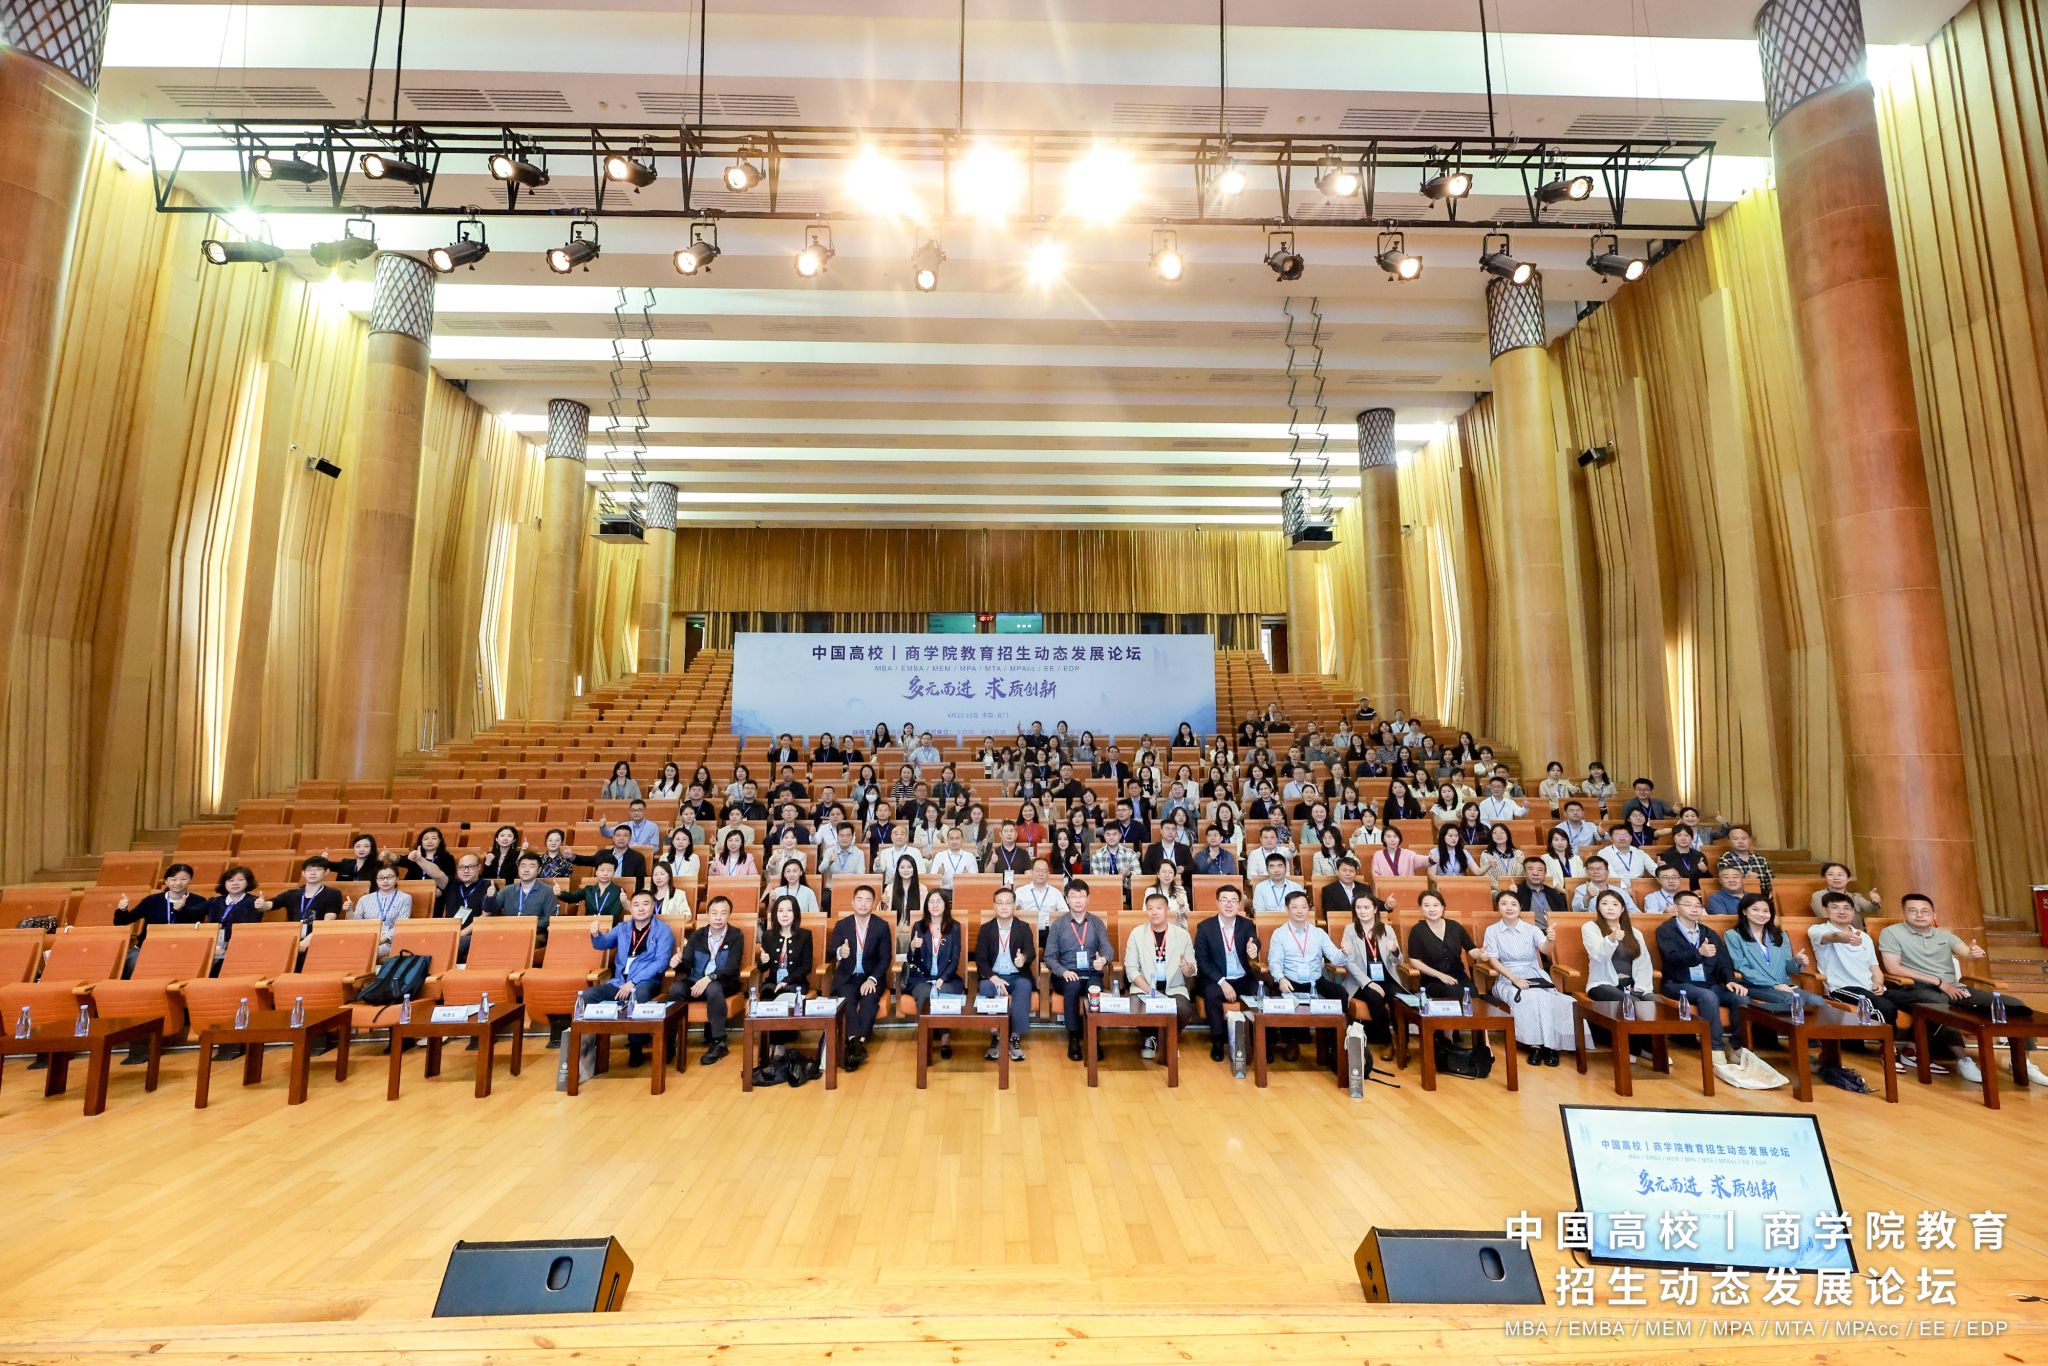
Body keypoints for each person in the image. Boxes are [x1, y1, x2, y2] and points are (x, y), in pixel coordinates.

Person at [1877, 893, 2043, 1086]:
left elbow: (1966, 952)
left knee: (2015, 1005)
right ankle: (1964, 1059)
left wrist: (1973, 953)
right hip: (1913, 988)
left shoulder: (1945, 936)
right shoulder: (1891, 933)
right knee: (1942, 1006)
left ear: (1933, 914)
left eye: (1925, 911)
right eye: (1913, 911)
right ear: (1904, 913)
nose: (1920, 915)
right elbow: (1893, 968)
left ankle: (2022, 1061)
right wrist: (1939, 982)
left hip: (1954, 988)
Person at [1808, 891, 1918, 1067]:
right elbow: (1834, 936)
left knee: (1918, 1002)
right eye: (1835, 908)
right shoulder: (1818, 930)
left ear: (1853, 912)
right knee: (1886, 1007)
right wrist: (1845, 938)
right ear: (1826, 911)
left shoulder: (1864, 937)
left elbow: (1875, 968)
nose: (1842, 911)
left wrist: (1879, 983)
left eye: (1847, 908)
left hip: (1869, 987)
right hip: (1842, 988)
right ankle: (1889, 1051)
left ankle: (1913, 1050)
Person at [1474, 889, 1573, 1066]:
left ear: (1520, 907)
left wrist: (1550, 940)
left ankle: (1551, 1046)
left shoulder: (1532, 929)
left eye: (1513, 904)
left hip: (1534, 974)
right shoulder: (1492, 930)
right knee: (1529, 997)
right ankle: (1535, 1046)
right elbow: (1493, 960)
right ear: (1498, 907)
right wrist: (1515, 979)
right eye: (1504, 904)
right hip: (1507, 976)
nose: (1509, 908)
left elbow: (1545, 950)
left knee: (1553, 999)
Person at [1654, 890, 1747, 1064]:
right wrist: (1699, 953)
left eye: (1698, 905)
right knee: (1708, 996)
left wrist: (1730, 980)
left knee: (1740, 997)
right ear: (1676, 908)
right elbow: (1672, 958)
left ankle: (1737, 1047)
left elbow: (1723, 961)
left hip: (1708, 983)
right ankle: (1715, 1048)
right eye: (1688, 905)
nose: (1694, 909)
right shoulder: (1666, 930)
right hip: (1677, 982)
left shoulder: (1709, 933)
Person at [1264, 890, 1347, 1061]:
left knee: (1340, 993)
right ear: (1287, 909)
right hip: (1290, 981)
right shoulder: (1279, 934)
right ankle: (1291, 1042)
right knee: (1282, 997)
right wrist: (1280, 979)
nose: (1300, 911)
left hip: (1315, 981)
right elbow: (1275, 962)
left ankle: (1334, 1041)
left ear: (1309, 909)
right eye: (1295, 907)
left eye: (1303, 907)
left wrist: (1344, 953)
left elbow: (1335, 958)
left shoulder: (1319, 933)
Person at [1725, 892, 1829, 1025]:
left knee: (1817, 1001)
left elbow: (1788, 968)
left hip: (1784, 985)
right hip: (1756, 986)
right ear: (1744, 911)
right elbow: (1741, 967)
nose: (1761, 914)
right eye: (1755, 909)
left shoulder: (1779, 934)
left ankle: (1821, 1035)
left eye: (1766, 911)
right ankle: (1797, 1035)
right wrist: (1774, 985)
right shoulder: (1733, 935)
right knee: (1793, 1000)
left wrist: (1796, 961)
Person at [667, 895, 744, 1066]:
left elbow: (732, 968)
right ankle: (669, 1042)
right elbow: (687, 965)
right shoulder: (697, 936)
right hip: (696, 981)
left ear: (729, 915)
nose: (718, 917)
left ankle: (719, 1042)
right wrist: (677, 963)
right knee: (675, 989)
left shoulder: (735, 936)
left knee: (713, 988)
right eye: (714, 913)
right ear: (708, 915)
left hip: (724, 982)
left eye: (723, 913)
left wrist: (709, 978)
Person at [1123, 891, 1197, 1060]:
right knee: (1138, 1008)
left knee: (1184, 1009)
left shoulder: (1182, 935)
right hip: (1144, 988)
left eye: (1158, 908)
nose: (1154, 912)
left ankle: (1170, 1038)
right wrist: (1151, 992)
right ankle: (1150, 1037)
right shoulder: (1137, 934)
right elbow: (1132, 970)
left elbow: (1193, 968)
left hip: (1174, 988)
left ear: (1167, 910)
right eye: (1150, 908)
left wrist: (1187, 968)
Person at [1193, 886, 1263, 1062]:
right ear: (1217, 903)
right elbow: (1202, 961)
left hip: (1242, 978)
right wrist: (1222, 982)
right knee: (1211, 993)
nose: (1229, 904)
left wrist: (1254, 947)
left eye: (1233, 901)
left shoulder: (1246, 924)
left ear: (1239, 904)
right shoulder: (1205, 927)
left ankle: (1261, 1041)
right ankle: (1217, 1040)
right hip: (1216, 978)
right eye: (1224, 900)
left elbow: (1254, 940)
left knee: (1260, 992)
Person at [1045, 879, 1112, 1062]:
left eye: (1081, 896)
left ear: (1088, 898)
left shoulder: (1097, 923)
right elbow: (1049, 956)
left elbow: (1107, 948)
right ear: (1067, 899)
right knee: (1073, 985)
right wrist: (1063, 971)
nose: (1077, 900)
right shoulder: (1058, 925)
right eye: (1073, 896)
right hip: (1066, 974)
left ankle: (1094, 1037)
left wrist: (1103, 960)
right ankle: (1073, 1036)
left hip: (1091, 973)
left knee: (1094, 990)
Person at [828, 884, 893, 1069]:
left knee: (869, 1001)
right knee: (847, 1001)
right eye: (859, 899)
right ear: (852, 902)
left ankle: (855, 1044)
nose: (863, 904)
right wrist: (840, 952)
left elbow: (885, 958)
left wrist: (872, 979)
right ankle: (857, 1044)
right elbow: (830, 953)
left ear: (873, 904)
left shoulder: (881, 926)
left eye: (868, 900)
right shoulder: (842, 925)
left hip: (871, 977)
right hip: (847, 978)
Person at [973, 887, 1035, 1062]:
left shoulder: (1023, 927)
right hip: (994, 976)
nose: (1004, 907)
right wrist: (993, 978)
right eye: (1000, 903)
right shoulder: (986, 929)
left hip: (1017, 976)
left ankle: (1014, 1036)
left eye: (1008, 903)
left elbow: (1031, 951)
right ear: (994, 906)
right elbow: (980, 959)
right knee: (985, 986)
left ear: (1015, 905)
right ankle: (996, 1035)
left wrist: (1023, 958)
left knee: (1024, 986)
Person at [903, 891, 966, 1057]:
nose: (935, 905)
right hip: (921, 978)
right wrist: (912, 947)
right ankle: (925, 1037)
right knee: (924, 993)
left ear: (946, 905)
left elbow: (955, 959)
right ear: (926, 905)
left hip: (947, 978)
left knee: (943, 993)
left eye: (939, 901)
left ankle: (945, 1037)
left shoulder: (954, 927)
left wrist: (942, 979)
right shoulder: (919, 926)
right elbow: (911, 960)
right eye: (931, 901)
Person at [1338, 893, 1401, 1050]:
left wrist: (1395, 951)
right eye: (1358, 907)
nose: (1362, 911)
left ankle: (1402, 1044)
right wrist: (1369, 983)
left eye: (1366, 907)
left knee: (1398, 999)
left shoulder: (1387, 929)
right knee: (1375, 997)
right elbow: (1349, 962)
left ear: (1375, 909)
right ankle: (1387, 1042)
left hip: (1387, 978)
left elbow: (1398, 961)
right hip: (1361, 980)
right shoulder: (1350, 930)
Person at [1405, 890, 1475, 1001]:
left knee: (1473, 994)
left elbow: (1472, 949)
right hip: (1433, 979)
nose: (1431, 909)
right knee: (1454, 993)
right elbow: (1414, 960)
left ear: (1442, 907)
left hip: (1459, 976)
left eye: (1436, 905)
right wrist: (1440, 975)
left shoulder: (1455, 926)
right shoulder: (1417, 931)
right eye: (1427, 905)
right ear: (1420, 909)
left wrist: (1481, 953)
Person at [350, 864, 413, 960]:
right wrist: (349, 911)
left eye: (390, 877)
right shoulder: (364, 899)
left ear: (397, 879)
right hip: (366, 939)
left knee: (368, 952)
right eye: (381, 878)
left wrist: (381, 940)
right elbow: (356, 924)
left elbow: (401, 925)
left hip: (389, 942)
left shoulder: (405, 898)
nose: (385, 881)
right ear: (376, 880)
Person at [277, 856, 347, 936]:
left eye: (318, 869)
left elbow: (327, 923)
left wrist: (307, 940)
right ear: (303, 873)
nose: (313, 873)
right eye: (309, 870)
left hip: (317, 937)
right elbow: (271, 904)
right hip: (292, 936)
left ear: (326, 872)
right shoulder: (292, 894)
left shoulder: (333, 894)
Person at [494, 852, 559, 938]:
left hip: (535, 933)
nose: (526, 870)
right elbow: (491, 910)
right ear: (518, 868)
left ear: (539, 870)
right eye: (523, 866)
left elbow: (548, 918)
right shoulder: (507, 890)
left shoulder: (547, 891)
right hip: (508, 932)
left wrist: (525, 926)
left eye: (531, 866)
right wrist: (490, 897)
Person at [560, 859, 628, 925]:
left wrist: (601, 920)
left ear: (614, 873)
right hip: (588, 925)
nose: (605, 873)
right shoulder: (589, 889)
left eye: (609, 870)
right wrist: (559, 893)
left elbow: (614, 915)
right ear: (596, 872)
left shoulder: (619, 891)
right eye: (602, 870)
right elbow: (572, 897)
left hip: (609, 926)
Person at [1716, 824, 1774, 896]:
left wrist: (1772, 891)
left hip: (1762, 897)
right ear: (1729, 842)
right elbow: (1726, 884)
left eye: (1744, 838)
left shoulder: (1761, 859)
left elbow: (1771, 882)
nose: (1740, 841)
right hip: (1738, 897)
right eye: (1735, 839)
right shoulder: (1725, 859)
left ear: (1749, 840)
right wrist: (1746, 880)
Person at [1514, 857, 1568, 930]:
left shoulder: (1554, 893)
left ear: (1545, 873)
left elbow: (1563, 917)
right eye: (1530, 869)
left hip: (1554, 931)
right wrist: (1512, 894)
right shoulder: (1516, 892)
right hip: (1528, 932)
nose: (1535, 873)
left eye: (1539, 870)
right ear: (1524, 872)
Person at [1809, 862, 1879, 919]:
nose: (1836, 878)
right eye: (1830, 874)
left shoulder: (1855, 897)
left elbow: (1870, 908)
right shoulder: (1818, 896)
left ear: (1849, 878)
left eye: (1840, 875)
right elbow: (1825, 916)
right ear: (1825, 878)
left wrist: (1874, 902)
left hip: (1856, 931)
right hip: (1832, 931)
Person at [1571, 859, 1638, 916]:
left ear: (1607, 872)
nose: (1596, 872)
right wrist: (1587, 897)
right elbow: (1576, 911)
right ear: (1586, 872)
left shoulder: (1619, 892)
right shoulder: (1581, 890)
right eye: (1591, 869)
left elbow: (1635, 913)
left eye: (1599, 869)